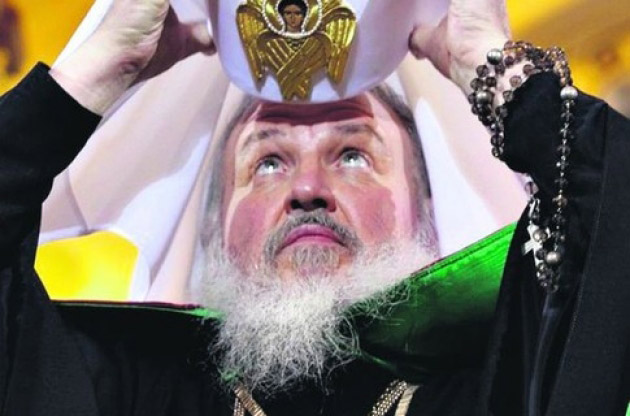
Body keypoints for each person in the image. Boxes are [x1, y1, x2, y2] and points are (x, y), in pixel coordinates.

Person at [0, 1, 628, 416]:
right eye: (268, 162)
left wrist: (488, 68)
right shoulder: (129, 397)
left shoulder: (500, 389)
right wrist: (93, 75)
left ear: (425, 208)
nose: (307, 187)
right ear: (213, 229)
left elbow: (613, 220)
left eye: (352, 154)